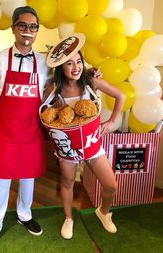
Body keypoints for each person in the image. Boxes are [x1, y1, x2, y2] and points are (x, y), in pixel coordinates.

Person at [0, 6, 52, 252]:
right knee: (1, 178)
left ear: (37, 31)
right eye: (22, 25)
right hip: (5, 131)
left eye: (33, 27)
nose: (28, 31)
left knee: (28, 176)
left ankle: (24, 214)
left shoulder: (44, 63)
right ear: (13, 28)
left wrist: (91, 74)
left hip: (32, 130)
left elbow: (59, 85)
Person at [44, 33, 126, 239]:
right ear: (61, 66)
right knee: (68, 183)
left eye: (79, 61)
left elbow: (120, 95)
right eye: (69, 63)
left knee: (110, 185)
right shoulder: (56, 89)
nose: (75, 67)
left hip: (92, 145)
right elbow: (44, 112)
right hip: (67, 150)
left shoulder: (91, 82)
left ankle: (104, 212)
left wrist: (111, 121)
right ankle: (69, 218)